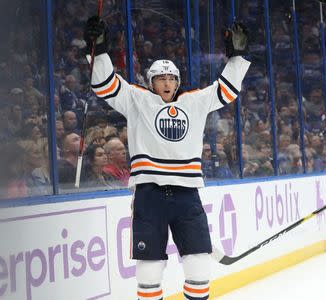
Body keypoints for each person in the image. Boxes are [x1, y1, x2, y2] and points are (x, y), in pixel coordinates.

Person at [84, 16, 250, 299]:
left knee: (198, 265)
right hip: (150, 192)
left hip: (187, 194)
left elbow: (226, 90)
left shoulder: (194, 101)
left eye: (172, 78)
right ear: (151, 82)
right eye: (161, 78)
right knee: (148, 270)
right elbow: (105, 85)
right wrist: (99, 50)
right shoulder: (137, 99)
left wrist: (237, 57)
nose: (167, 82)